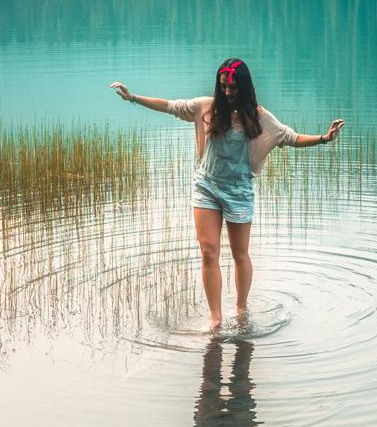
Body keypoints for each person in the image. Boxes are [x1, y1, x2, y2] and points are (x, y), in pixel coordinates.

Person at [110, 57, 342, 330]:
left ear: (243, 88)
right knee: (209, 252)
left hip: (239, 191)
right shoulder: (206, 108)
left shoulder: (260, 118)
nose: (228, 92)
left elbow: (290, 138)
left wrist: (324, 139)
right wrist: (133, 97)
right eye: (224, 87)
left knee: (239, 253)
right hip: (206, 187)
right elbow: (170, 106)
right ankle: (215, 318)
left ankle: (241, 308)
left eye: (233, 87)